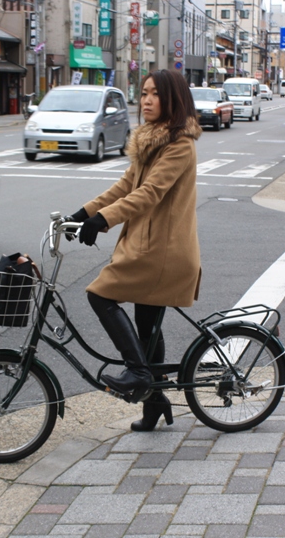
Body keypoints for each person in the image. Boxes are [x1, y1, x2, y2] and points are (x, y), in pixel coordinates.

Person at [66, 69, 202, 431]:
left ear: (171, 99)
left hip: (162, 253)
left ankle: (139, 374)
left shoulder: (179, 145)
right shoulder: (150, 141)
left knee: (99, 295)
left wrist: (103, 221)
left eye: (154, 94)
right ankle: (154, 402)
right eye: (143, 93)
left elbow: (149, 193)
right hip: (149, 246)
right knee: (147, 332)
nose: (145, 100)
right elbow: (126, 185)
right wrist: (84, 213)